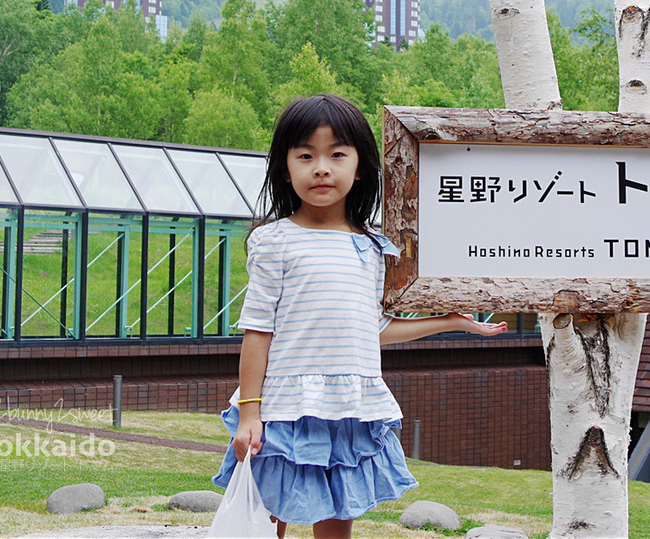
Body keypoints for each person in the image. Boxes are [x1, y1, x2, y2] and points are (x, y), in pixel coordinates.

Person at [212, 94, 507, 539]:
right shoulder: (274, 241)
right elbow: (258, 332)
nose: (321, 168)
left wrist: (452, 321)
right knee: (266, 523)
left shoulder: (373, 247)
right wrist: (251, 413)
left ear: (361, 165)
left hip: (349, 407)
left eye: (337, 154)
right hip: (283, 408)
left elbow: (374, 329)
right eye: (305, 155)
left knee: (336, 527)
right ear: (285, 167)